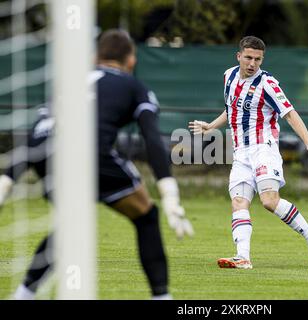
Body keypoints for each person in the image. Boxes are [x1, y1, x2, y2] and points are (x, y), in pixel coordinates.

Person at [7, 29, 194, 300]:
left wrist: (7, 180)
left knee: (73, 223)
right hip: (90, 154)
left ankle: (22, 295)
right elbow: (152, 139)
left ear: (95, 57)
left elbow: (38, 135)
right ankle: (162, 297)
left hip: (46, 159)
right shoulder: (133, 86)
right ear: (131, 61)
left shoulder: (70, 82)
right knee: (145, 214)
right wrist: (170, 195)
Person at [189, 36, 308, 270]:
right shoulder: (229, 76)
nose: (252, 63)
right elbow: (230, 108)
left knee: (269, 201)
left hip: (264, 147)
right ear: (239, 56)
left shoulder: (268, 84)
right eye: (248, 57)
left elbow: (290, 113)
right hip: (241, 151)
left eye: (258, 59)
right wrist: (211, 126)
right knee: (239, 201)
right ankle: (242, 257)